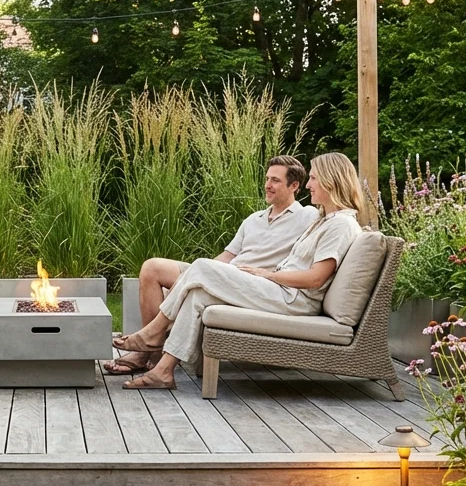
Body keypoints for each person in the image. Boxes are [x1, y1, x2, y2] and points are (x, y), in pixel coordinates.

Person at [113, 152, 371, 390]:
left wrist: (268, 274)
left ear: (331, 180)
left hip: (292, 298)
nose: (308, 184)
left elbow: (316, 278)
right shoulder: (326, 221)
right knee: (198, 296)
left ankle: (153, 333)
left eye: (313, 178)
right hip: (281, 291)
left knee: (202, 266)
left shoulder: (337, 224)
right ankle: (164, 372)